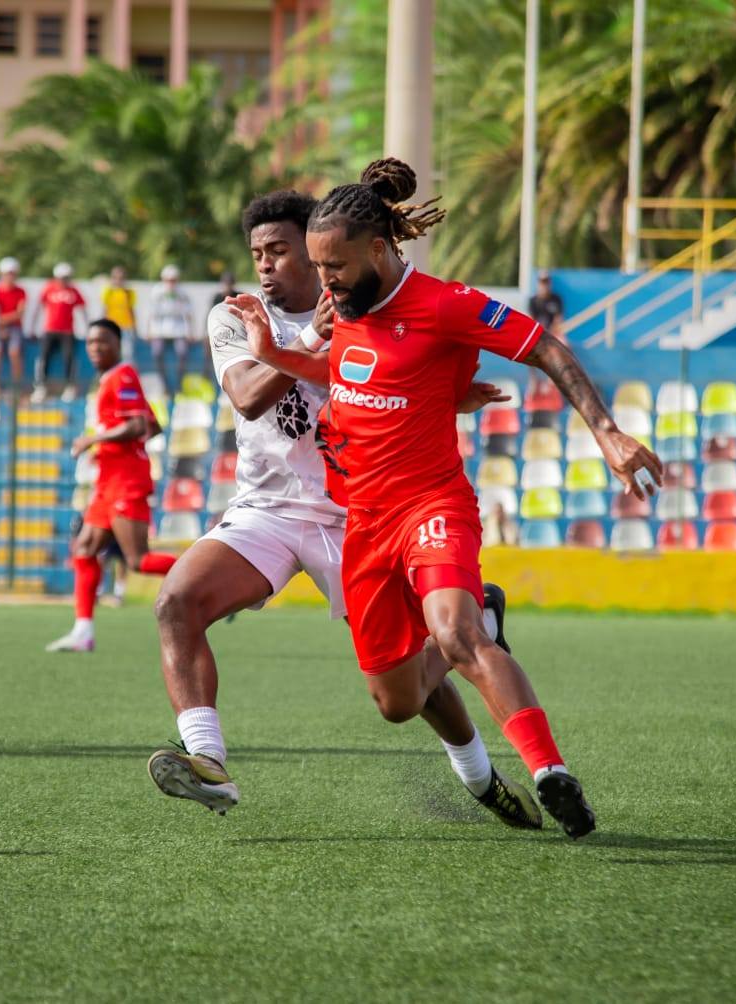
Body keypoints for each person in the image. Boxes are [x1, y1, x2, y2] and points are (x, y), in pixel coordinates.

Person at [232, 158, 664, 839]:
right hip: (362, 524)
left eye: (335, 266)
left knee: (458, 636)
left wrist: (606, 432)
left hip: (432, 506)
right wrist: (272, 352)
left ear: (379, 251)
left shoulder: (447, 305)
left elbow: (546, 349)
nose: (325, 281)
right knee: (397, 703)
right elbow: (345, 374)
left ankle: (550, 770)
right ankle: (481, 617)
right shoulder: (346, 309)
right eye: (317, 267)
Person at [147, 191, 542, 829]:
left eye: (279, 250)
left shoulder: (368, 307)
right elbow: (246, 396)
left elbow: (395, 377)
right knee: (175, 602)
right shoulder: (237, 316)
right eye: (257, 253)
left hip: (357, 514)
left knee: (411, 687)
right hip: (268, 510)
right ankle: (208, 762)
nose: (265, 264)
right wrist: (309, 336)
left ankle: (479, 778)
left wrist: (445, 393)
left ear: (315, 253)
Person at [46, 319, 178, 653]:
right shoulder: (111, 379)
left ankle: (214, 575)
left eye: (103, 341)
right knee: (84, 549)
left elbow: (136, 425)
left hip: (125, 480)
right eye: (90, 342)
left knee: (137, 560)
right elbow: (153, 426)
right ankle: (82, 631)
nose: (95, 347)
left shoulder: (122, 375)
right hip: (108, 481)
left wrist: (94, 439)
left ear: (118, 344)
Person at [34, 262, 88, 402]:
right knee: (44, 357)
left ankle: (70, 387)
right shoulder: (49, 288)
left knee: (68, 357)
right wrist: (33, 327)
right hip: (50, 329)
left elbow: (82, 309)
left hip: (67, 331)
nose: (64, 280)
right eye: (62, 277)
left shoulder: (73, 291)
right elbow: (39, 307)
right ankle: (41, 386)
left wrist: (88, 328)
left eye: (66, 277)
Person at [145, 264, 194, 393]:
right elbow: (150, 313)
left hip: (178, 328)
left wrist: (190, 332)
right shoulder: (156, 292)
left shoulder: (182, 293)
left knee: (182, 353)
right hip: (159, 328)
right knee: (157, 353)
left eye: (173, 280)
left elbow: (188, 314)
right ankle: (164, 384)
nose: (171, 283)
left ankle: (179, 383)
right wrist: (149, 331)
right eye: (168, 280)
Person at [0, 256, 26, 389]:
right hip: (0, 327)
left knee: (14, 353)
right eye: (7, 274)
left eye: (12, 274)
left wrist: (4, 320)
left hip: (15, 327)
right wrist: (3, 323)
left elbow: (20, 313)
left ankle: (17, 386)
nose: (9, 277)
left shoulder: (21, 292)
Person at [101, 265, 138, 361]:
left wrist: (135, 326)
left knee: (127, 353)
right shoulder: (108, 292)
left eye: (121, 278)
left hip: (126, 326)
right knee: (112, 352)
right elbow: (105, 309)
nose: (118, 281)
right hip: (112, 327)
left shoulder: (129, 293)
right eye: (115, 278)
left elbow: (131, 310)